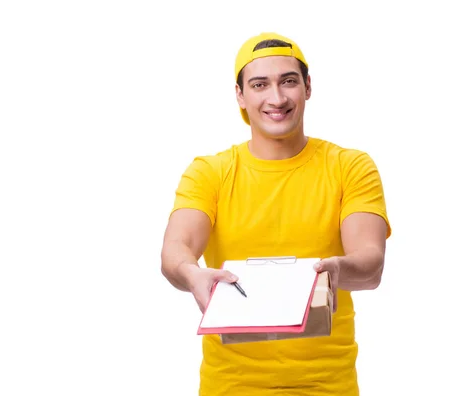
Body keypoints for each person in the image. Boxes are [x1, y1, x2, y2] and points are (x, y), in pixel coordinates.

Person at [161, 32, 392, 396]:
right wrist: (190, 273)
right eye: (259, 84)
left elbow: (370, 262)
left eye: (289, 81)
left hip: (326, 386)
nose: (277, 98)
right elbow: (177, 247)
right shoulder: (210, 172)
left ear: (308, 87)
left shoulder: (350, 167)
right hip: (230, 387)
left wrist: (338, 270)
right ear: (240, 95)